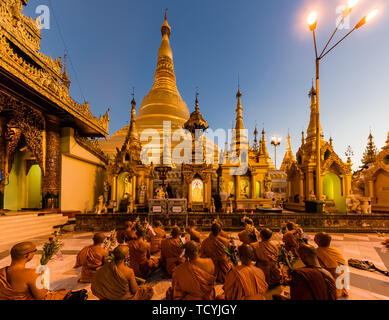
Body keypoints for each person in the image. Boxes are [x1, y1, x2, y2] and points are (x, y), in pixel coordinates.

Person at [0, 242, 73, 300]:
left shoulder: (1, 272)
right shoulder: (31, 274)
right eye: (34, 251)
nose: (35, 253)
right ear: (27, 255)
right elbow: (41, 296)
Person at [314, 232, 349, 298]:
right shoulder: (334, 249)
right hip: (343, 274)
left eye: (316, 237)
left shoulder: (317, 251)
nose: (314, 238)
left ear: (318, 241)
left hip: (335, 275)